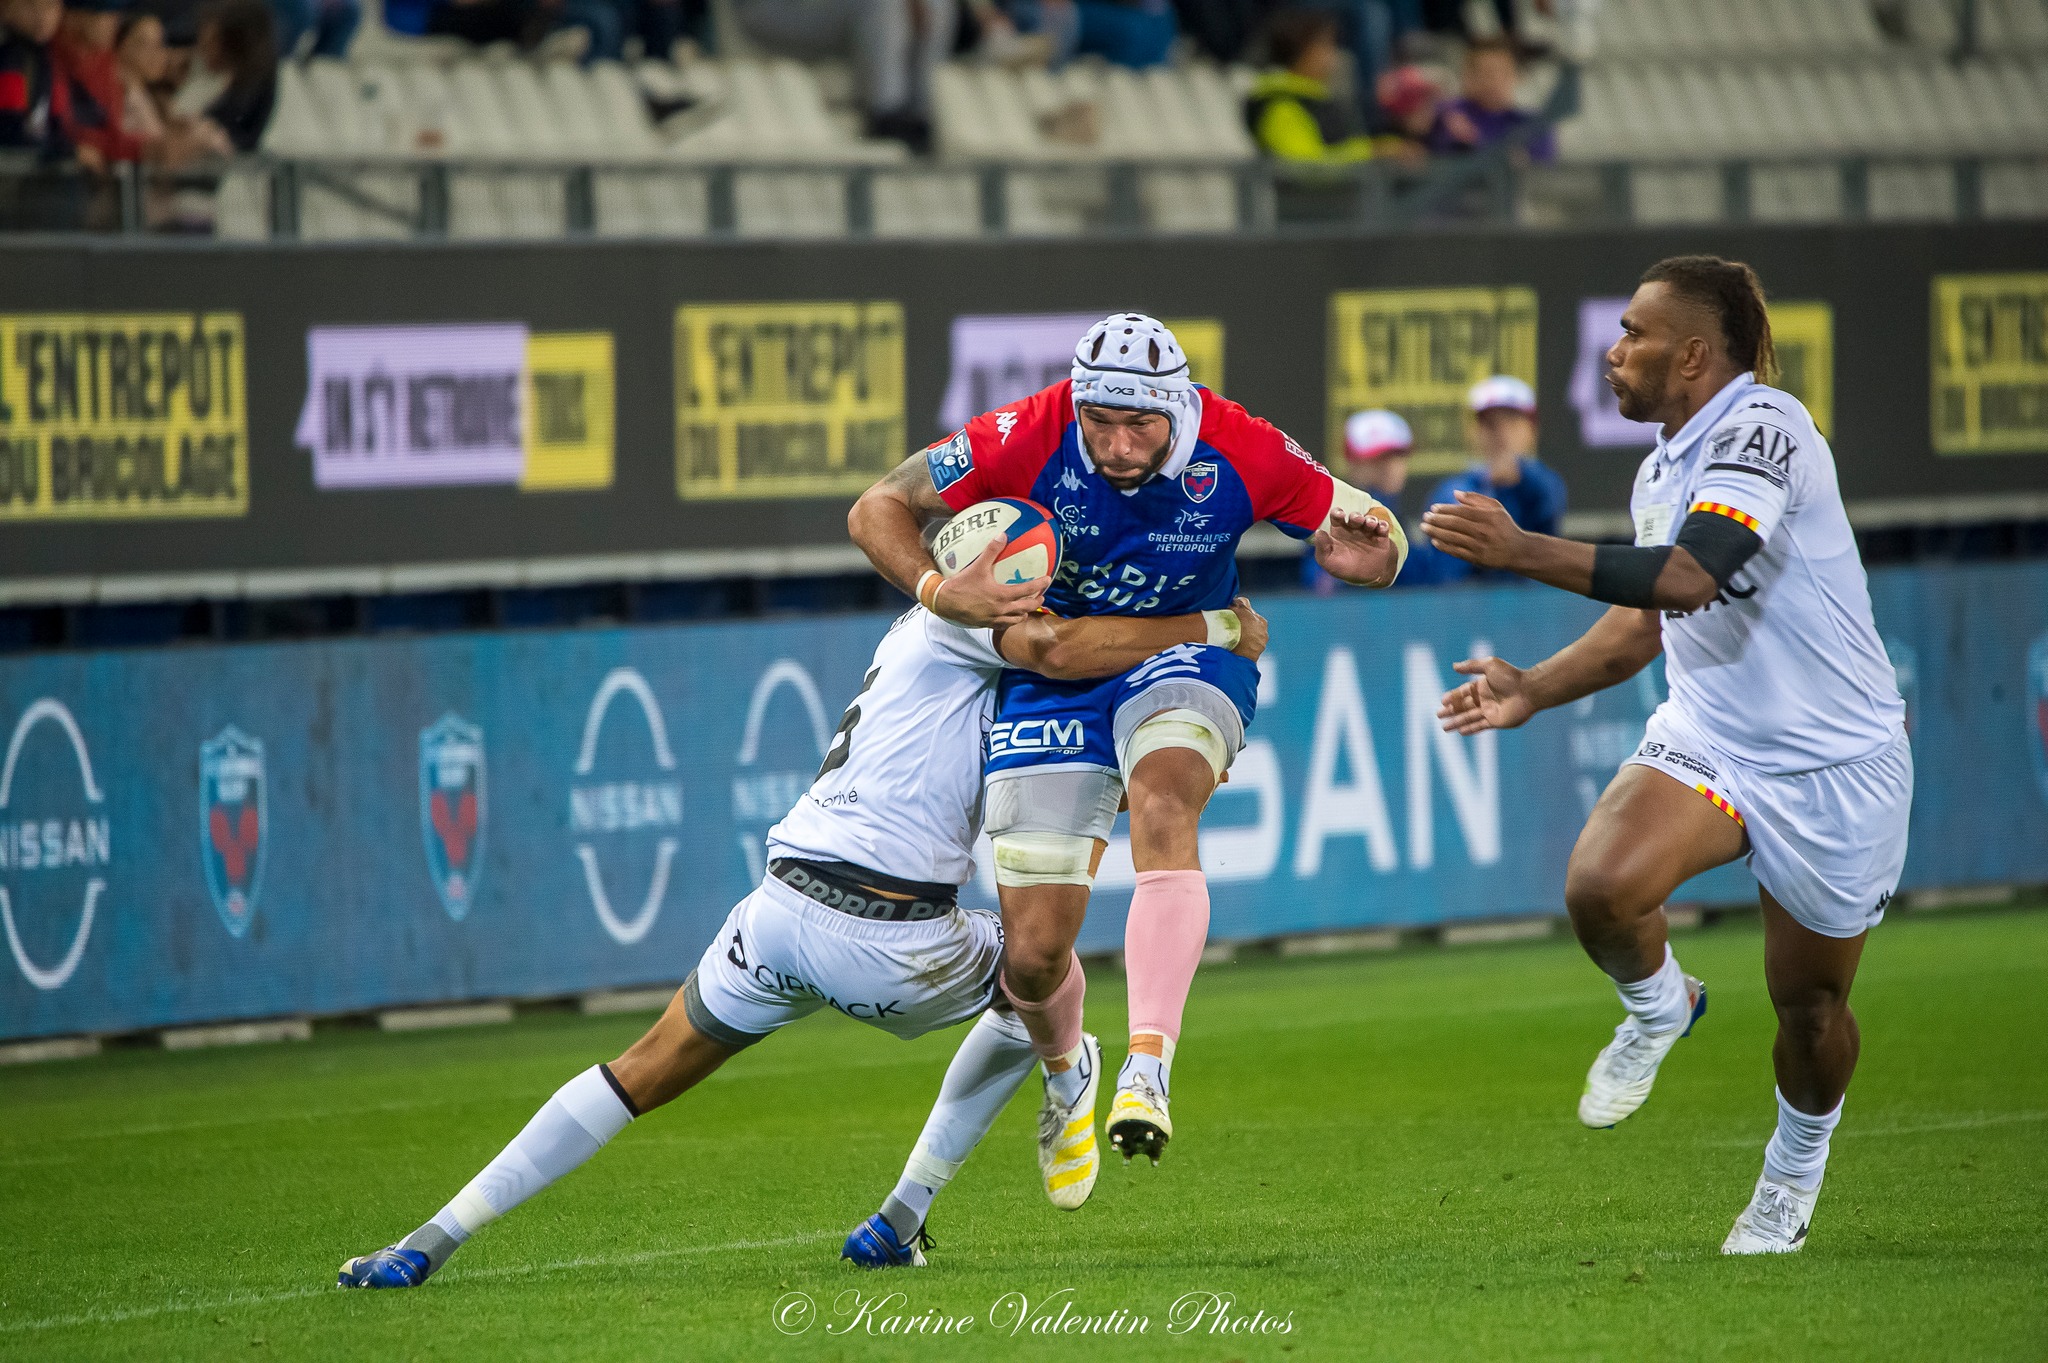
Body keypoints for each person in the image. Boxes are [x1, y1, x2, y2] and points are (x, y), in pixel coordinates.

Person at [336, 564, 1266, 1288]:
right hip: (892, 936)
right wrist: (1219, 626)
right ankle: (1014, 1120)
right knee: (1045, 973)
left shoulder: (922, 624)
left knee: (635, 1073)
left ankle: (430, 1237)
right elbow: (1069, 649)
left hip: (778, 908)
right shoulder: (980, 625)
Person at [1426, 255, 1912, 1255]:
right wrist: (1531, 687)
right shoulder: (1660, 467)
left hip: (1833, 762)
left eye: (1633, 335)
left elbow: (1690, 576)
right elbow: (1645, 624)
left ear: (1693, 353)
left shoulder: (1762, 428)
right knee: (1600, 887)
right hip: (1710, 737)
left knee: (1810, 1008)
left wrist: (1521, 549)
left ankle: (1789, 1173)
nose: (1613, 353)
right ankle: (1660, 1005)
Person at [849, 313, 1403, 1183]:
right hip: (1058, 676)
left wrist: (1371, 552)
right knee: (1031, 957)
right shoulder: (1024, 431)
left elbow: (1369, 530)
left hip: (1191, 650)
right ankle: (1072, 1067)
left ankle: (1148, 1067)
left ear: (1179, 407)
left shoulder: (1245, 447)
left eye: (1138, 424)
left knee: (1163, 796)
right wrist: (934, 589)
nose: (1113, 443)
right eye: (1097, 420)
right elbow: (875, 504)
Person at [1405, 374, 1566, 586]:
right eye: (1491, 424)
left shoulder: (1543, 482)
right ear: (1474, 432)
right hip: (1470, 611)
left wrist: (1515, 481)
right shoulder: (1453, 490)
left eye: (1511, 422)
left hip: (1537, 607)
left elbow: (1547, 507)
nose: (1502, 434)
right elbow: (1448, 575)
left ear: (1531, 430)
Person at [735, 0, 954, 153]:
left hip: (825, 11)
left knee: (936, 2)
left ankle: (919, 113)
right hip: (766, 11)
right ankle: (885, 113)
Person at [1244, 9, 1374, 165]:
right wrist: (1371, 152)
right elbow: (1304, 170)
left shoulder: (1320, 99)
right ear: (1302, 48)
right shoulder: (1280, 104)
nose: (1333, 55)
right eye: (1325, 45)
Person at [1304, 408, 1412, 594]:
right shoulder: (1329, 518)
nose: (1390, 468)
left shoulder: (1403, 522)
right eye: (1378, 459)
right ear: (1352, 462)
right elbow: (1319, 595)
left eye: (1396, 456)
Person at [1428, 33, 1553, 162]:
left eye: (1502, 73)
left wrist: (1474, 141)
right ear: (1467, 76)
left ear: (1516, 76)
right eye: (1485, 73)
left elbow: (1541, 169)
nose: (1493, 81)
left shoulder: (1531, 125)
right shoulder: (1447, 113)